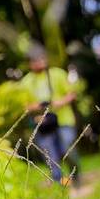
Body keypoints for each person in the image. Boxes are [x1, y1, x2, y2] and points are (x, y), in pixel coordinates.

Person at [19, 51, 81, 185]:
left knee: (67, 148)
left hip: (64, 119)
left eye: (40, 60)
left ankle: (75, 175)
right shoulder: (26, 82)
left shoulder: (58, 74)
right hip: (42, 122)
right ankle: (59, 183)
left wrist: (59, 102)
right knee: (49, 155)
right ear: (30, 64)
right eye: (34, 61)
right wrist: (37, 107)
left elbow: (72, 94)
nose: (38, 63)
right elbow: (23, 106)